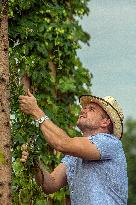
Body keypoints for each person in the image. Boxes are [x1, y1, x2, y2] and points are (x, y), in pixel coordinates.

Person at [19, 90, 128, 205]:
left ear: (105, 122)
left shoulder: (109, 142)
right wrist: (34, 163)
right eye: (84, 107)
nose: (83, 110)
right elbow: (50, 185)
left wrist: (36, 111)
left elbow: (62, 144)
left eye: (91, 109)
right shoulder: (75, 156)